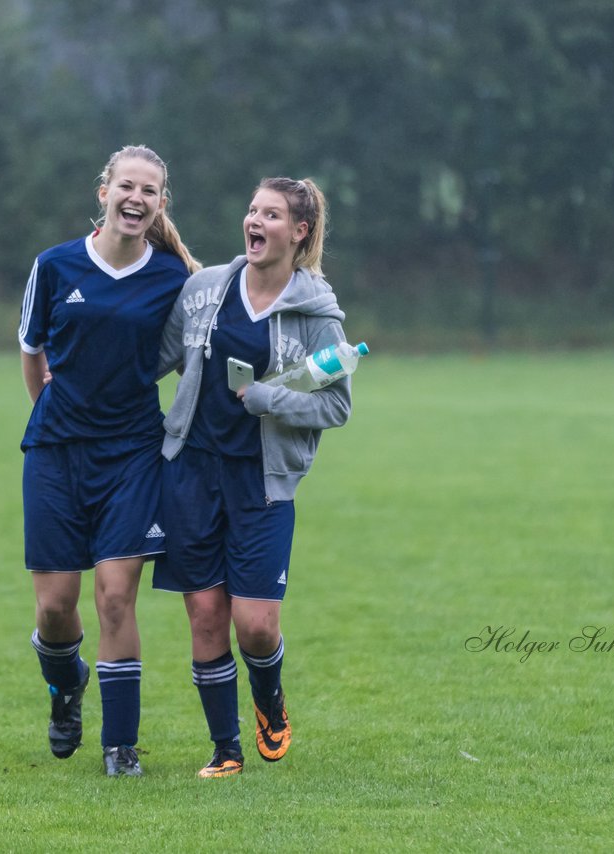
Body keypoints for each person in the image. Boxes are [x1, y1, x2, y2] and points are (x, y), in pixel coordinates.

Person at [155, 176, 353, 777]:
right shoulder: (205, 289)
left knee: (256, 624)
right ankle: (225, 749)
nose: (255, 221)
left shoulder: (318, 313)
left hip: (262, 483)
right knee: (206, 614)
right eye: (251, 210)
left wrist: (270, 399)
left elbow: (336, 406)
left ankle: (270, 700)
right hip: (191, 472)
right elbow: (154, 358)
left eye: (270, 214)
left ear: (299, 232)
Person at [18, 145, 199, 777]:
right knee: (54, 608)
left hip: (132, 456)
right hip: (56, 455)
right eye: (127, 186)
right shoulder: (53, 265)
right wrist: (58, 418)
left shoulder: (174, 276)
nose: (136, 199)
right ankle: (66, 687)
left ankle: (121, 746)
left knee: (116, 598)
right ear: (104, 192)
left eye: (149, 192)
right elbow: (32, 353)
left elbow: (203, 339)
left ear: (160, 205)